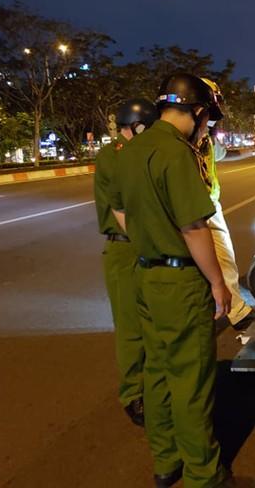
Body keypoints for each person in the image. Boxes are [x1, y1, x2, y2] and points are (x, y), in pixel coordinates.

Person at [110, 72, 255, 488]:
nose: (206, 127)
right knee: (191, 381)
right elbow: (194, 228)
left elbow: (120, 211)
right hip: (180, 283)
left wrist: (151, 238)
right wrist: (217, 283)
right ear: (196, 111)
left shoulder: (130, 150)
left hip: (145, 275)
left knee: (157, 372)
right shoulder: (176, 153)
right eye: (207, 118)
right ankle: (203, 475)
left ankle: (166, 461)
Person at [93, 96, 158, 427]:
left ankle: (152, 386)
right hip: (126, 249)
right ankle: (134, 394)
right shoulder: (115, 155)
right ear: (138, 128)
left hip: (140, 246)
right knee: (132, 329)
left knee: (151, 324)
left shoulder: (128, 152)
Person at [191, 78, 255, 331]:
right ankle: (233, 312)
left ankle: (234, 311)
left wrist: (253, 149)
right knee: (218, 260)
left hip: (209, 205)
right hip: (196, 209)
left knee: (222, 259)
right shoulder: (185, 140)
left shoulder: (206, 139)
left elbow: (226, 154)